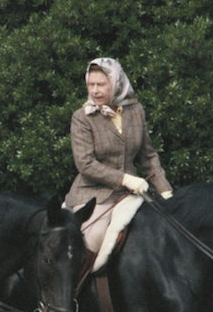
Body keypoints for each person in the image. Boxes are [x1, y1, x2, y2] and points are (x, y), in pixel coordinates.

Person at [64, 57, 173, 271]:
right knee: (92, 237)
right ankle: (75, 296)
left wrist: (166, 192)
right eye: (90, 84)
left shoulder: (136, 111)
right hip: (93, 193)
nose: (94, 91)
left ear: (115, 83)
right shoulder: (82, 118)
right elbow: (85, 164)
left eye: (101, 84)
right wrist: (124, 178)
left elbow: (148, 155)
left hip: (129, 194)